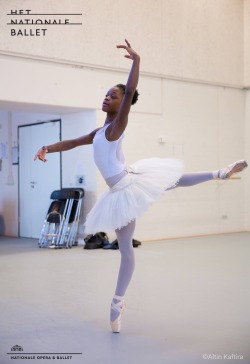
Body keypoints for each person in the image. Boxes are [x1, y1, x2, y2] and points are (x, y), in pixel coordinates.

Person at [34, 39, 248, 333]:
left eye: (113, 95)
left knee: (164, 191)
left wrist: (137, 61)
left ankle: (116, 302)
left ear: (123, 104)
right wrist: (47, 146)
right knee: (128, 245)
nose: (107, 97)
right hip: (122, 185)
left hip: (126, 186)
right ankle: (118, 303)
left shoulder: (118, 125)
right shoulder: (100, 131)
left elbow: (131, 89)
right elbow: (71, 142)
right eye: (106, 94)